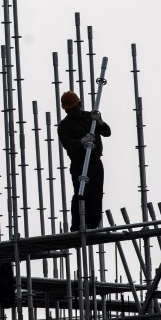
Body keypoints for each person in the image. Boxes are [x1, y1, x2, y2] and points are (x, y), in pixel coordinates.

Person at [57, 90, 111, 231]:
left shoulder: (90, 118)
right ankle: (78, 225)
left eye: (74, 108)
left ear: (79, 104)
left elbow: (107, 132)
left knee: (96, 194)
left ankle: (93, 225)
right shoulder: (65, 125)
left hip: (95, 162)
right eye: (69, 110)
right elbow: (68, 144)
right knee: (81, 193)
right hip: (79, 164)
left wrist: (100, 121)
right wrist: (82, 141)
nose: (72, 112)